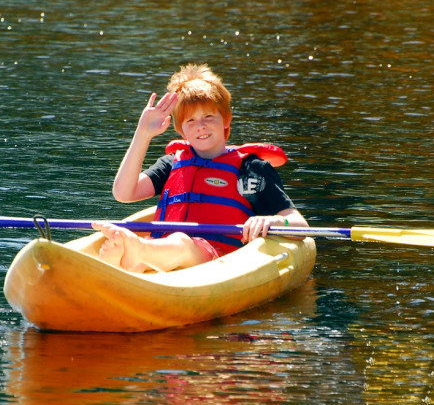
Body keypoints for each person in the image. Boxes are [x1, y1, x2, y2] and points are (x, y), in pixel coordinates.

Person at [92, 63, 308, 273]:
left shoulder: (250, 169)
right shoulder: (172, 164)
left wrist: (276, 220)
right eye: (190, 120)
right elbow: (123, 193)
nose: (201, 126)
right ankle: (132, 259)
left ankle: (135, 253)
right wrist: (143, 133)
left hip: (216, 260)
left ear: (226, 120)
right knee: (175, 245)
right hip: (165, 253)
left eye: (208, 116)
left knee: (181, 242)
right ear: (181, 130)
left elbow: (301, 226)